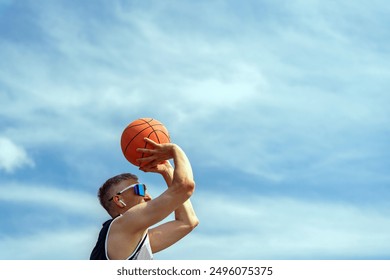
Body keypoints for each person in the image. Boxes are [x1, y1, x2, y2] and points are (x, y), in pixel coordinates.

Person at [90, 137, 199, 260]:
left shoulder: (131, 238)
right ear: (119, 200)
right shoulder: (121, 226)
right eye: (140, 189)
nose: (148, 196)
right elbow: (185, 186)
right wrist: (175, 150)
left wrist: (167, 170)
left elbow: (188, 222)